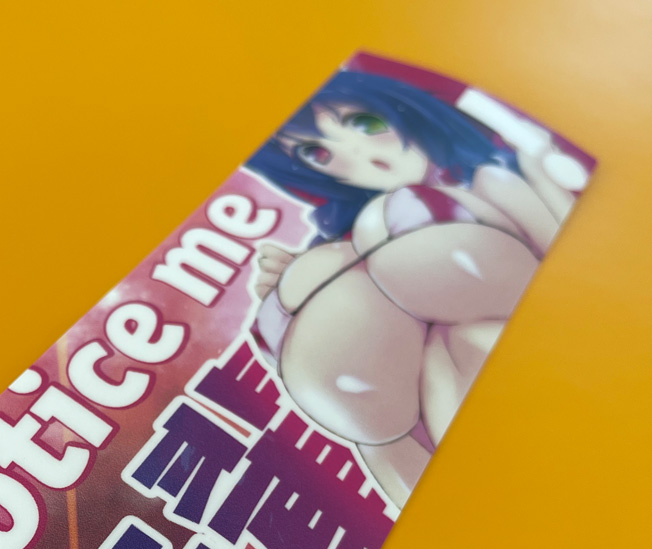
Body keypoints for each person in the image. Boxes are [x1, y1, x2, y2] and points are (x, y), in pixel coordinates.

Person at [245, 70, 577, 509]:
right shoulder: (349, 243)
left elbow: (566, 268)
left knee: (452, 343)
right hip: (422, 421)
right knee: (319, 282)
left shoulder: (491, 180)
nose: (359, 155)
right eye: (318, 152)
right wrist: (300, 291)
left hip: (530, 357)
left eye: (367, 124)